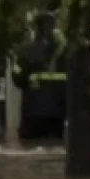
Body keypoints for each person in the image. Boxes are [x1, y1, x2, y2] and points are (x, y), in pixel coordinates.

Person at [13, 11, 68, 141]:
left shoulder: (26, 51)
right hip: (57, 112)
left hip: (33, 111)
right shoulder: (65, 52)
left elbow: (17, 78)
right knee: (55, 149)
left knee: (31, 147)